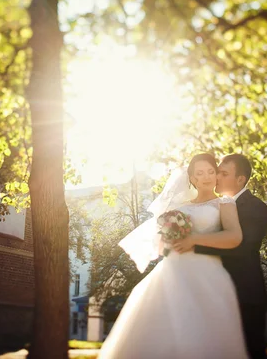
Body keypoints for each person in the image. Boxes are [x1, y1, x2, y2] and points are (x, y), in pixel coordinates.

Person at [98, 153, 249, 359]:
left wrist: (193, 239)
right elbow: (164, 246)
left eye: (211, 171)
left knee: (202, 331)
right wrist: (170, 237)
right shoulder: (180, 209)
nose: (206, 177)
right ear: (193, 178)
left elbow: (234, 236)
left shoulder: (225, 203)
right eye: (200, 173)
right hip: (173, 271)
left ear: (216, 174)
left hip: (207, 273)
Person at [178, 154, 267, 359]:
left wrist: (194, 245)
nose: (216, 176)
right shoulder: (216, 204)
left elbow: (243, 247)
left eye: (223, 173)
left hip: (245, 294)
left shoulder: (255, 207)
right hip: (214, 291)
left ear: (240, 179)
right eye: (216, 171)